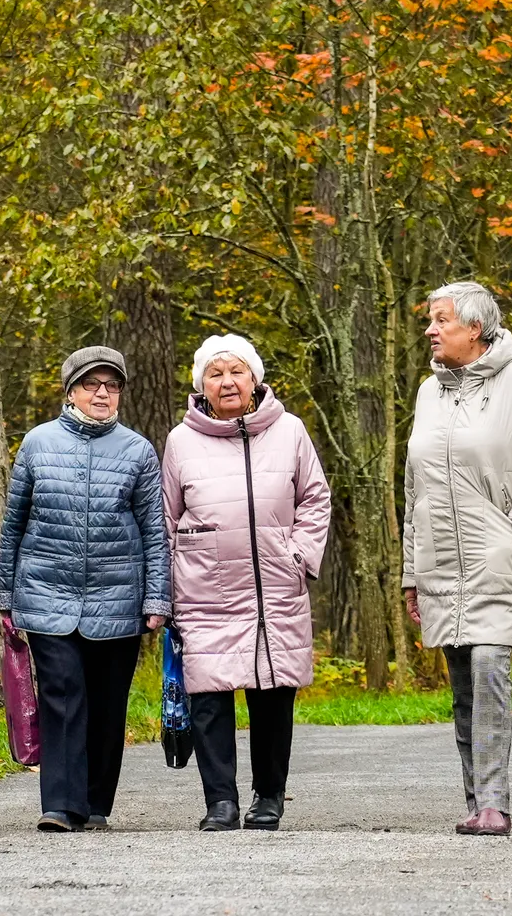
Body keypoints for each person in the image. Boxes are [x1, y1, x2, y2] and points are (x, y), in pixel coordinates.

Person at [401, 282, 512, 837]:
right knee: (462, 684)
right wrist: (411, 571)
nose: (430, 330)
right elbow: (414, 490)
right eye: (430, 320)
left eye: (441, 320)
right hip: (440, 564)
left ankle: (496, 803)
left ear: (475, 328)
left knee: (487, 669)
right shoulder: (429, 393)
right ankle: (476, 802)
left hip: (499, 559)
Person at [0, 346, 170, 833]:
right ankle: (60, 805)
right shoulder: (36, 443)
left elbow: (155, 530)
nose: (102, 392)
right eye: (92, 383)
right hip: (47, 592)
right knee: (62, 693)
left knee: (108, 705)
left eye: (111, 385)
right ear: (70, 390)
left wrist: (157, 599)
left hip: (117, 598)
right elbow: (14, 524)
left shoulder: (138, 451)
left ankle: (94, 804)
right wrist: (4, 595)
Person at [161, 334, 331, 832]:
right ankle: (221, 803)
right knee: (209, 698)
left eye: (236, 371)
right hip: (204, 588)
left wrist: (297, 557)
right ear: (201, 386)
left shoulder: (291, 431)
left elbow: (315, 501)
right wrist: (172, 578)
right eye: (215, 374)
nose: (227, 381)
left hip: (276, 586)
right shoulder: (180, 440)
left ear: (254, 379)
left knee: (273, 694)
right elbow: (165, 517)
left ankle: (269, 798)